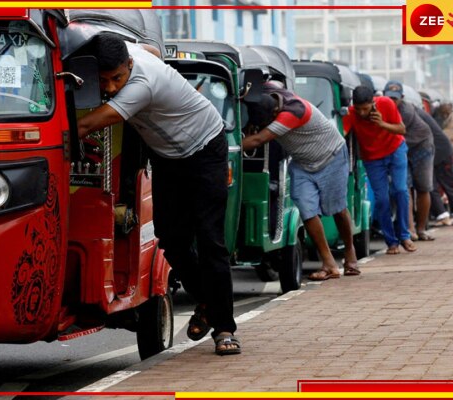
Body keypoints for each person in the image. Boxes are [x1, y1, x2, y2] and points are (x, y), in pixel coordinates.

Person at [76, 33, 240, 356]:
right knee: (170, 237)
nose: (109, 87)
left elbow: (97, 120)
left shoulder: (142, 84)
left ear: (131, 66)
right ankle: (206, 301)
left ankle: (224, 328)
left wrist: (60, 129)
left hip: (206, 146)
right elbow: (152, 48)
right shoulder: (134, 51)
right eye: (104, 80)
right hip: (168, 156)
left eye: (117, 79)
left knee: (210, 239)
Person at [242, 83, 359, 280]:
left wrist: (224, 145)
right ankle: (329, 263)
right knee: (307, 210)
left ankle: (350, 253)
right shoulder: (271, 93)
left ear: (273, 115)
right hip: (303, 163)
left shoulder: (293, 112)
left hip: (332, 156)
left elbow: (257, 140)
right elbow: (259, 83)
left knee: (338, 209)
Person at [343, 86, 416, 254]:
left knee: (400, 190)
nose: (362, 113)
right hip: (372, 158)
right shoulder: (351, 113)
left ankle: (404, 235)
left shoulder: (386, 103)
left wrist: (381, 123)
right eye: (359, 109)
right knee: (381, 199)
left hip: (395, 150)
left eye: (366, 109)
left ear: (373, 103)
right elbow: (343, 133)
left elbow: (401, 129)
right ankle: (391, 242)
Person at [384, 81, 436, 242]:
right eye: (389, 98)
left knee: (423, 187)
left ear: (402, 98)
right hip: (401, 148)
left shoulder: (405, 111)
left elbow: (394, 133)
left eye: (395, 98)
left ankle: (421, 229)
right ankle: (409, 230)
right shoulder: (379, 107)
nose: (392, 101)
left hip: (421, 146)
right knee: (403, 188)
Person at [416, 106, 453, 227]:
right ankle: (444, 215)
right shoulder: (419, 113)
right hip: (434, 151)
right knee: (433, 185)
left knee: (447, 184)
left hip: (441, 152)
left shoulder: (413, 114)